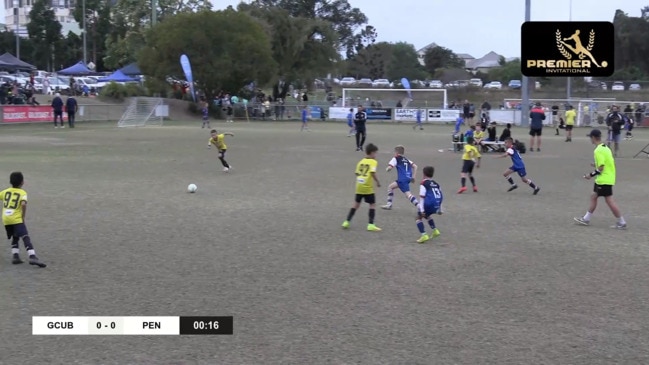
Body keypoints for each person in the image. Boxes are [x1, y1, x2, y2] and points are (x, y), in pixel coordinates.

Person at [574, 129, 626, 229]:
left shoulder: (598, 150)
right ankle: (586, 218)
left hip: (604, 179)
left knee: (609, 201)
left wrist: (590, 174)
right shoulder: (605, 147)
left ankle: (622, 221)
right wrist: (595, 164)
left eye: (590, 137)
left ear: (593, 138)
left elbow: (601, 167)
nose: (590, 139)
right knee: (594, 196)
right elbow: (606, 162)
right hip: (606, 177)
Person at [1, 172, 46, 267]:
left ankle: (15, 256)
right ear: (22, 182)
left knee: (15, 236)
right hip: (16, 218)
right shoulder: (22, 193)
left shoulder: (5, 192)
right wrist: (23, 216)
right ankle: (32, 256)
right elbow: (23, 204)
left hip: (6, 218)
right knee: (25, 236)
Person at [342, 143, 382, 231]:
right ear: (371, 153)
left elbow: (356, 173)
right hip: (367, 187)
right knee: (372, 204)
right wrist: (377, 182)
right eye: (375, 153)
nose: (376, 155)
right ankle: (371, 224)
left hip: (359, 186)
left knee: (356, 205)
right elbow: (372, 173)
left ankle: (347, 221)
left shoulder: (361, 161)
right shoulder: (373, 162)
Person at [381, 145, 418, 210]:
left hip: (402, 179)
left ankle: (420, 207)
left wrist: (387, 169)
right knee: (390, 187)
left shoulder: (396, 158)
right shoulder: (406, 159)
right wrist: (413, 177)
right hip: (408, 178)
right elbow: (415, 166)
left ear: (396, 152)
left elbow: (390, 167)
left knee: (408, 195)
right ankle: (389, 205)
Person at [414, 166, 443, 243]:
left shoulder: (423, 183)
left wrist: (422, 210)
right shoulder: (436, 184)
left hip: (429, 204)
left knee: (418, 217)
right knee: (427, 215)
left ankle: (424, 235)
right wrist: (440, 208)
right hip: (436, 204)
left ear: (424, 174)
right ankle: (435, 230)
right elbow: (441, 195)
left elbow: (422, 197)